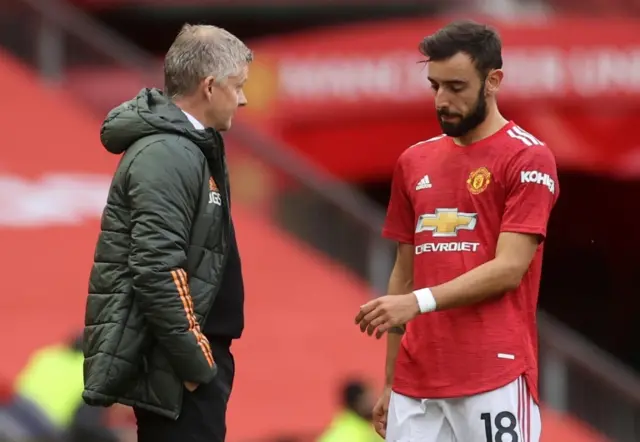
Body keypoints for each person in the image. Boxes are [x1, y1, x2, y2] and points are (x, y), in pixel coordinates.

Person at [354, 20, 559, 441]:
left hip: (493, 374)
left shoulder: (528, 157)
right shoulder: (413, 161)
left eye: (456, 87)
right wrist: (391, 381)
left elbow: (509, 268)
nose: (442, 100)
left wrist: (417, 302)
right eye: (435, 87)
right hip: (415, 385)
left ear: (493, 81)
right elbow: (403, 275)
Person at [82, 24, 251, 442]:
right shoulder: (168, 152)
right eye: (238, 86)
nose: (243, 98)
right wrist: (195, 363)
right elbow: (156, 268)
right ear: (210, 86)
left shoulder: (190, 144)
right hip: (178, 365)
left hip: (186, 358)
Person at [318, 379, 382, 442]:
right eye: (369, 398)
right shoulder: (354, 435)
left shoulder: (341, 427)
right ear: (357, 402)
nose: (375, 401)